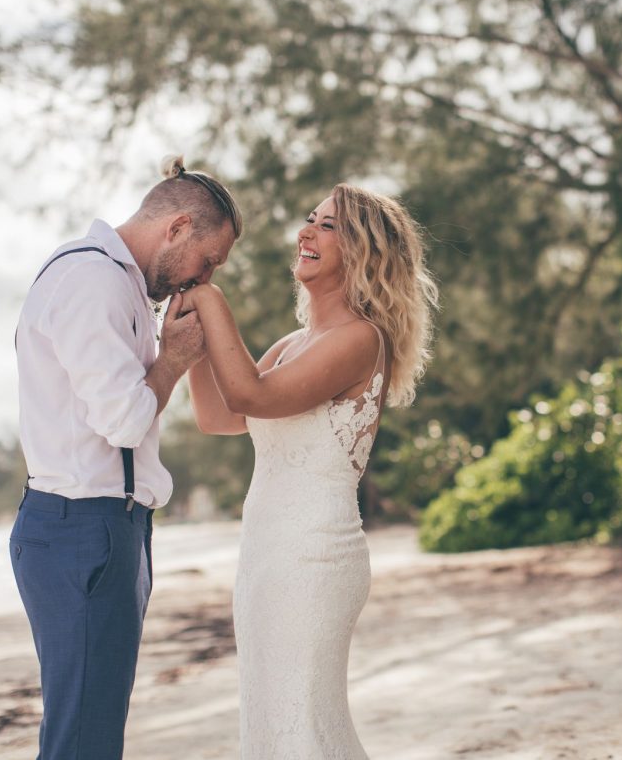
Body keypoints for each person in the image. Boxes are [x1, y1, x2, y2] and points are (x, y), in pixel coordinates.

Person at [179, 183, 438, 757]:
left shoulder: (359, 340)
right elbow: (219, 417)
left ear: (366, 252)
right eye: (309, 219)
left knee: (304, 723)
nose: (307, 232)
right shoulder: (295, 343)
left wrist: (212, 302)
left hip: (314, 559)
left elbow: (249, 395)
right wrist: (197, 340)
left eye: (329, 226)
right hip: (265, 556)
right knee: (273, 720)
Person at [10, 155, 241, 760]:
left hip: (105, 527)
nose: (203, 278)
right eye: (208, 260)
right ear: (178, 227)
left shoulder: (119, 283)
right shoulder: (93, 280)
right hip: (82, 528)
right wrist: (173, 360)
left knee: (93, 728)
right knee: (83, 738)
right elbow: (123, 420)